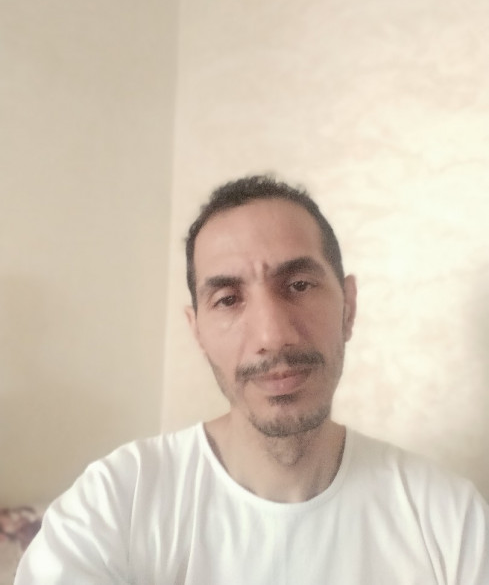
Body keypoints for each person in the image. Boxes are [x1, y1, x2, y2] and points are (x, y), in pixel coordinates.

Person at [15, 175, 489, 584]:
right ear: (197, 331)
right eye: (228, 299)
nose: (272, 335)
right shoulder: (117, 501)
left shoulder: (449, 519)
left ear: (348, 307)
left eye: (299, 285)